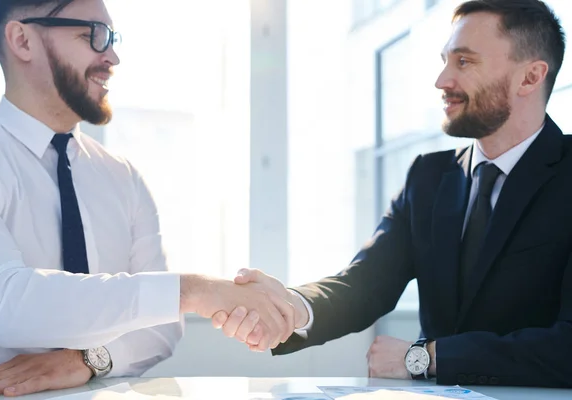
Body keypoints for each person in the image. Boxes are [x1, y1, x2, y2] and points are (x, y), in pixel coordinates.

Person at [215, 0, 572, 388]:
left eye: (464, 62)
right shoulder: (429, 177)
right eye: (445, 60)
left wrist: (424, 358)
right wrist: (289, 307)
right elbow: (365, 284)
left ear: (530, 77)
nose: (442, 81)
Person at [0, 0, 295, 397]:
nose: (112, 56)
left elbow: (161, 327)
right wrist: (194, 291)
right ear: (22, 40)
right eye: (92, 35)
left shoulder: (121, 176)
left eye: (111, 37)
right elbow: (3, 303)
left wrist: (89, 359)